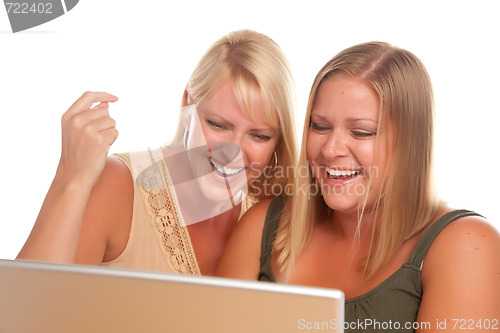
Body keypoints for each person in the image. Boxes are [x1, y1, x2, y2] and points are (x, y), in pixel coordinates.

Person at [217, 42, 500, 331]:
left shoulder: (467, 245)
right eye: (320, 126)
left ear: (409, 145)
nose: (330, 149)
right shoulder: (263, 225)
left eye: (361, 132)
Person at [17, 29, 298, 276]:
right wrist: (71, 177)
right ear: (188, 105)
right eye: (217, 125)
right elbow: (23, 314)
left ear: (278, 142)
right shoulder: (116, 186)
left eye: (259, 135)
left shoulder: (270, 221)